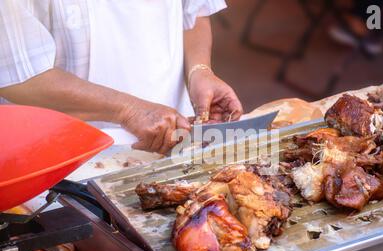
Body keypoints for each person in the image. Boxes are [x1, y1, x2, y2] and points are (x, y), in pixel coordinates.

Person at [0, 0, 243, 154]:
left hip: (178, 140)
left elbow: (194, 11)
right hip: (63, 161)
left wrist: (199, 70)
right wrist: (130, 111)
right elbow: (20, 79)